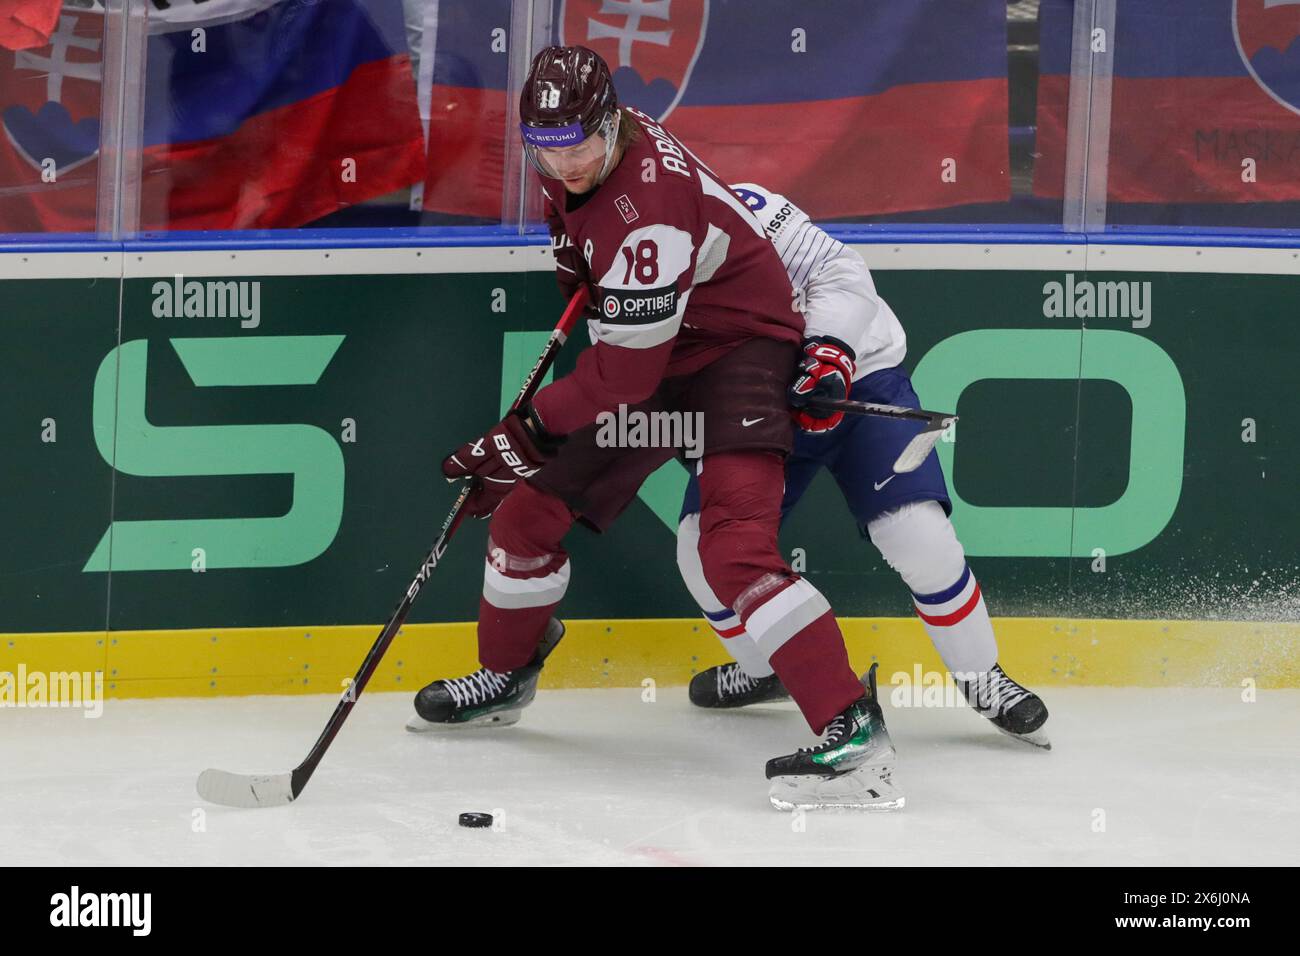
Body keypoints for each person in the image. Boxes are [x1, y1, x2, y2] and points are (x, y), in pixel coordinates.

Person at [407, 45, 902, 810]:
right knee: (527, 514)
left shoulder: (650, 213)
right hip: (660, 346)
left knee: (733, 549)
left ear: (610, 123)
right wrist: (581, 273)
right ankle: (505, 677)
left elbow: (624, 380)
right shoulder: (588, 147)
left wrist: (524, 432)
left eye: (578, 146)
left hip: (737, 352)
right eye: (547, 149)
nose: (566, 164)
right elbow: (584, 240)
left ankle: (852, 726)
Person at [677, 182, 1051, 749]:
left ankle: (981, 677)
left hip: (856, 377)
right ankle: (764, 669)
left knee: (920, 538)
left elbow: (842, 274)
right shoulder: (634, 255)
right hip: (756, 403)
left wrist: (829, 355)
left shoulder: (743, 206)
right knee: (699, 552)